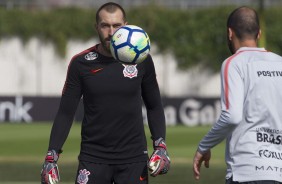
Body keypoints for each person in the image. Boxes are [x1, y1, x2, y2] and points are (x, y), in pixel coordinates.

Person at [40, 2, 170, 184]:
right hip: (93, 158)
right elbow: (65, 113)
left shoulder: (142, 59)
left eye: (116, 26)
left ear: (125, 26)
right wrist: (51, 157)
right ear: (96, 27)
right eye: (105, 25)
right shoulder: (81, 63)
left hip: (133, 159)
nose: (111, 32)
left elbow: (154, 106)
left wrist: (160, 145)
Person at [193, 6, 282, 184]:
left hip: (246, 171)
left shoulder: (233, 63)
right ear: (259, 34)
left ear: (230, 33)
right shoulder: (280, 63)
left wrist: (204, 146)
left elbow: (232, 116)